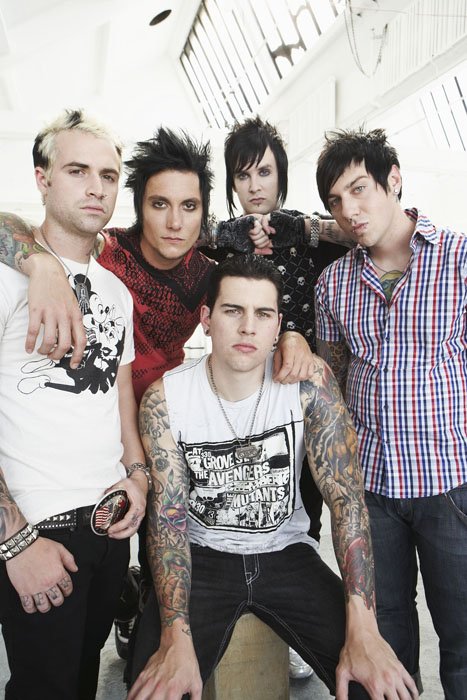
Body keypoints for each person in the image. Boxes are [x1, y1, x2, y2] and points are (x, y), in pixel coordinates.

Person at [0, 127, 316, 661]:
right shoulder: (106, 251)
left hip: (162, 429)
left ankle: (149, 618)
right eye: (160, 205)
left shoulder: (207, 273)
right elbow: (10, 226)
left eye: (189, 207)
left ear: (204, 214)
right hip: (92, 437)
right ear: (139, 208)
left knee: (163, 549)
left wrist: (290, 335)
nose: (174, 222)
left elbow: (252, 305)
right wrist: (43, 266)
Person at [128, 254, 418, 700]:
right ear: (206, 319)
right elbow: (169, 522)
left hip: (288, 555)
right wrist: (174, 637)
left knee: (376, 685)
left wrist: (363, 626)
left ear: (278, 325)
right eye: (233, 311)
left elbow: (346, 501)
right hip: (203, 559)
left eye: (262, 314)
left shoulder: (308, 384)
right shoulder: (165, 400)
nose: (248, 327)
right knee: (154, 687)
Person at [0, 109, 149, 699]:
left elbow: (120, 397)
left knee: (83, 680)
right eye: (77, 171)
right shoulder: (9, 276)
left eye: (108, 176)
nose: (96, 187)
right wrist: (14, 542)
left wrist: (136, 475)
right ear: (42, 179)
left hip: (109, 525)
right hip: (37, 528)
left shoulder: (116, 291)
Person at [314, 126, 467, 699]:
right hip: (372, 491)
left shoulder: (458, 259)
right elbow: (335, 382)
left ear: (393, 180)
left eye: (359, 189)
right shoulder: (334, 284)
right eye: (336, 200)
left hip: (452, 485)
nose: (349, 211)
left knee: (463, 640)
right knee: (385, 641)